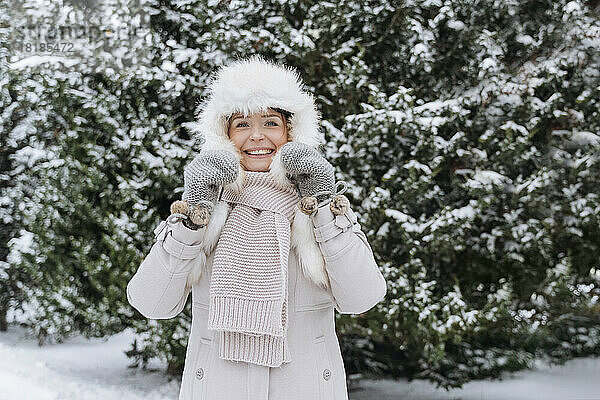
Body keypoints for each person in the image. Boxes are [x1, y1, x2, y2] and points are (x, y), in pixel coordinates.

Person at [127, 55, 387, 400]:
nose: (256, 136)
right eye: (241, 124)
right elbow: (152, 303)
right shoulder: (208, 206)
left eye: (270, 123)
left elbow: (362, 297)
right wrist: (191, 217)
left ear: (291, 131)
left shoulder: (316, 208)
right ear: (225, 134)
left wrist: (322, 204)